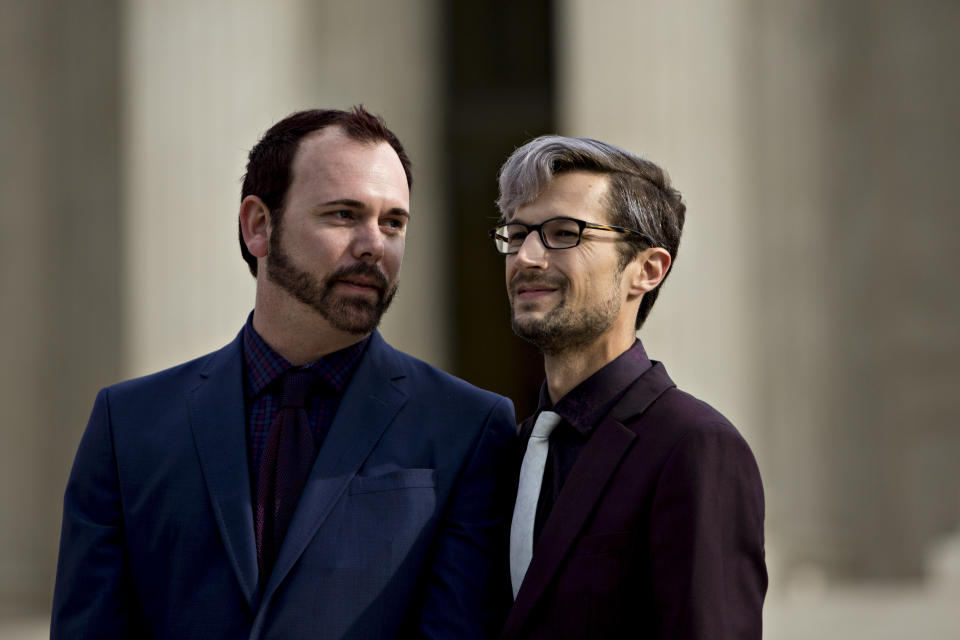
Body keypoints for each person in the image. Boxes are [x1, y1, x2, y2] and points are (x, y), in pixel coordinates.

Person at [52, 107, 516, 640]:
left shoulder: (470, 428)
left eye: (394, 222)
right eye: (344, 215)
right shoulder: (127, 424)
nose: (374, 245)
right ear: (258, 226)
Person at [490, 136, 767, 639]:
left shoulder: (695, 446)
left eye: (562, 233)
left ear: (647, 270)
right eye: (516, 233)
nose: (526, 257)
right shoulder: (509, 450)